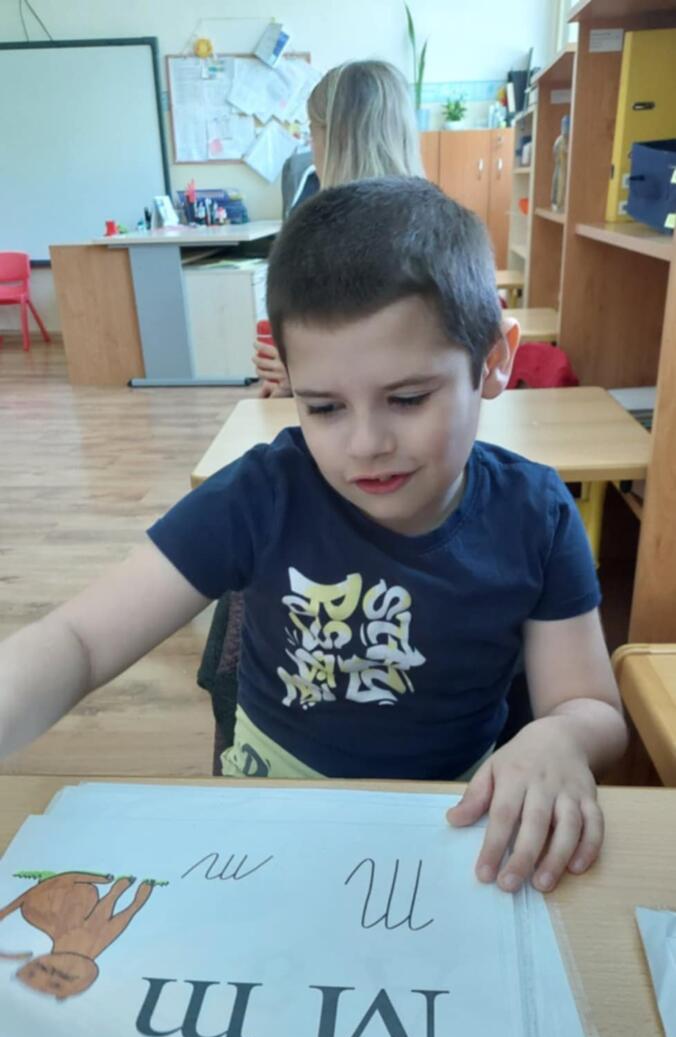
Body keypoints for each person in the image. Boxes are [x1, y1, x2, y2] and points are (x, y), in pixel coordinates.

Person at [0, 178, 627, 898]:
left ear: (493, 360)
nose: (366, 443)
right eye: (324, 407)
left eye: (407, 398)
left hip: (457, 812)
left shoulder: (536, 515)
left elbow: (592, 708)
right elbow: (79, 640)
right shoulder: (259, 495)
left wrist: (559, 737)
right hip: (274, 801)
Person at [254, 59, 424, 398]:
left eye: (312, 132)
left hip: (348, 414)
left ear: (332, 139)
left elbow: (369, 362)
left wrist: (296, 378)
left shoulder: (315, 242)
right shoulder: (443, 228)